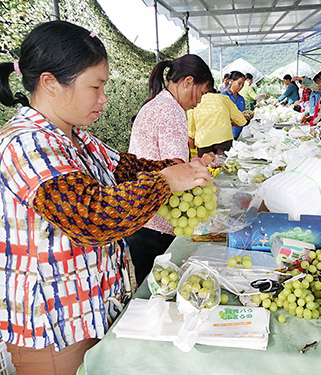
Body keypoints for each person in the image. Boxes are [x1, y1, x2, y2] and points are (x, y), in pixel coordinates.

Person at [0, 21, 212, 375]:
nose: (104, 98)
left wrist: (179, 169)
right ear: (50, 83)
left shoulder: (77, 139)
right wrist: (165, 180)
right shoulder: (26, 144)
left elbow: (127, 167)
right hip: (55, 326)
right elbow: (91, 217)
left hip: (94, 309)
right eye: (95, 86)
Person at [127, 54, 214, 285]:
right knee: (160, 287)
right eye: (202, 93)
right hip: (157, 219)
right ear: (187, 82)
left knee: (151, 285)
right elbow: (175, 167)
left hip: (143, 214)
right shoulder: (171, 111)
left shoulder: (157, 104)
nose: (199, 101)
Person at [188, 90, 247, 156]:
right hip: (224, 140)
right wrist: (230, 124)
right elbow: (241, 121)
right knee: (225, 164)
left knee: (205, 165)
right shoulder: (224, 98)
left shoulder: (193, 101)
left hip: (203, 142)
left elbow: (191, 132)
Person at [221, 70, 252, 139]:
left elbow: (242, 114)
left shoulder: (241, 99)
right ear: (232, 81)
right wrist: (239, 115)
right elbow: (221, 117)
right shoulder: (223, 96)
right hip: (226, 136)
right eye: (239, 83)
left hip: (239, 134)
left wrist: (248, 116)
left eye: (243, 84)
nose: (241, 86)